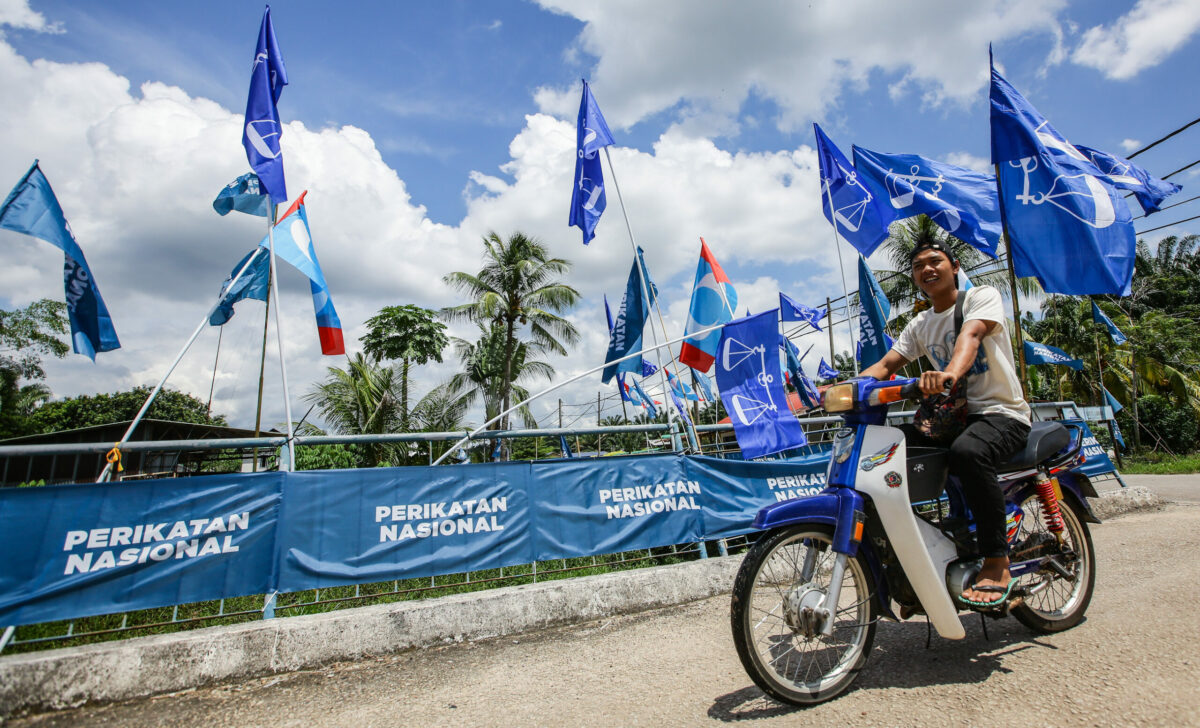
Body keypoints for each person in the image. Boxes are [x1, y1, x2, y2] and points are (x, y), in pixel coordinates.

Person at [859, 240, 1031, 606]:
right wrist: (842, 388)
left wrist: (949, 373)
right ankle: (926, 550)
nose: (927, 269)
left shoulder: (979, 298)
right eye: (919, 265)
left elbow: (970, 337)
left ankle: (996, 560)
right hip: (949, 420)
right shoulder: (920, 323)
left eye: (935, 261)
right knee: (880, 448)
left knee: (968, 452)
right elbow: (887, 365)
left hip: (1000, 414)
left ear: (954, 266)